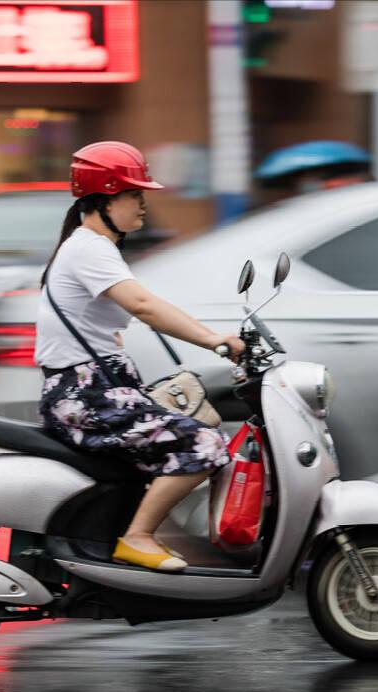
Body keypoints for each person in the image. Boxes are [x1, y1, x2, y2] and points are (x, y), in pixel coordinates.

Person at [36, 141, 245, 573]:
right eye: (134, 195)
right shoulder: (89, 248)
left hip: (96, 391)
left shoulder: (91, 247)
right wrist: (213, 340)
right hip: (86, 397)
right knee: (204, 443)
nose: (143, 205)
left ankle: (142, 533)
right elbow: (144, 305)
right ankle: (138, 537)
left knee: (196, 423)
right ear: (105, 199)